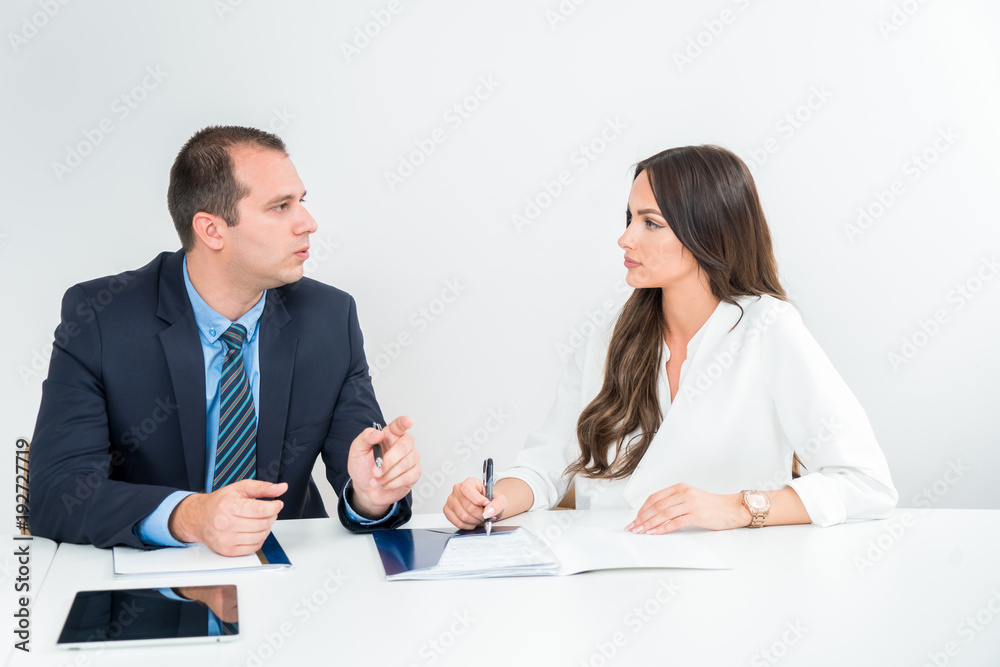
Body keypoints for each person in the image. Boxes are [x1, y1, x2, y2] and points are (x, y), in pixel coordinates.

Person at [444, 145, 897, 533]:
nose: (625, 238)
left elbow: (866, 483)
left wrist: (737, 508)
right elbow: (545, 468)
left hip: (735, 581)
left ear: (707, 231)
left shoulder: (768, 328)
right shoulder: (608, 337)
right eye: (629, 218)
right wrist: (493, 500)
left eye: (651, 223)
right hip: (606, 574)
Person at [29, 126, 421, 555]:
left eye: (301, 201)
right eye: (280, 206)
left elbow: (362, 472)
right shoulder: (101, 317)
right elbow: (55, 494)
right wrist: (190, 517)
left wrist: (371, 495)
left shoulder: (330, 318)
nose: (308, 223)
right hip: (154, 574)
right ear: (212, 230)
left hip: (289, 571)